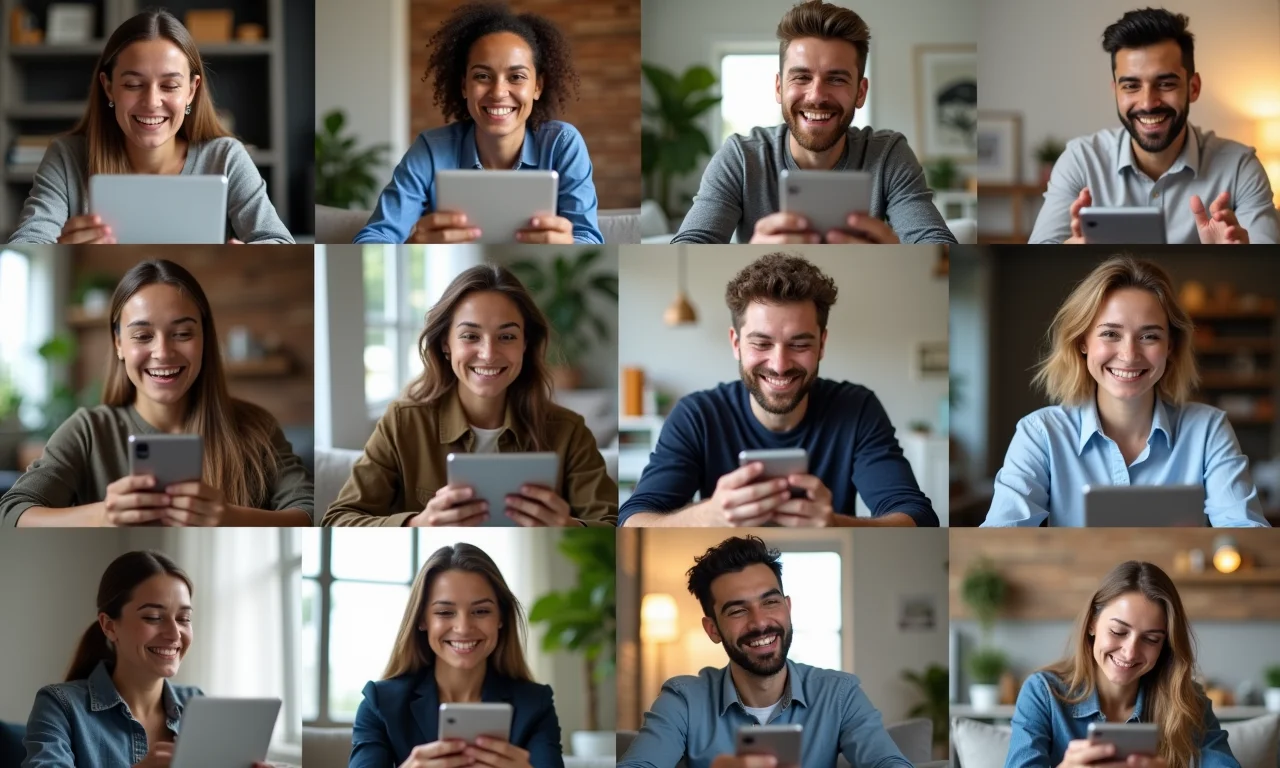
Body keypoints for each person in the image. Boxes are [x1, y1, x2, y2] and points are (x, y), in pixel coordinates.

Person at [618, 253, 936, 527]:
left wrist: (833, 524)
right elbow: (632, 519)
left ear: (822, 344)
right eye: (761, 343)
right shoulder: (697, 415)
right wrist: (709, 517)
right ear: (736, 343)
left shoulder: (857, 409)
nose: (780, 364)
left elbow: (917, 517)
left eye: (799, 344)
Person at [0, 260, 314, 527]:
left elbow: (310, 512)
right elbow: (12, 512)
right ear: (119, 344)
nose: (162, 352)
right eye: (143, 336)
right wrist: (104, 515)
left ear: (204, 339)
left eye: (182, 334)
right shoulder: (88, 431)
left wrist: (230, 518)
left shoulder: (257, 427)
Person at [983, 256, 1268, 527]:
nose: (1129, 355)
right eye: (1110, 334)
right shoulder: (1040, 433)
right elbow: (999, 537)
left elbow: (1245, 531)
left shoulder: (1208, 430)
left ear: (1170, 346)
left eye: (1149, 336)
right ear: (1083, 341)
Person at [324, 263, 616, 526]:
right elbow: (337, 519)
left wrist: (567, 526)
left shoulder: (569, 431)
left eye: (507, 336)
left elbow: (614, 523)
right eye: (470, 336)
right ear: (445, 344)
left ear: (525, 344)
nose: (488, 354)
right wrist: (418, 523)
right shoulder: (402, 423)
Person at [671, 0, 956, 246]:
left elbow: (939, 248)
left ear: (860, 92)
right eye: (801, 77)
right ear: (779, 88)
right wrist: (750, 253)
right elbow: (686, 249)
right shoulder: (741, 157)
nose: (817, 96)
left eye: (836, 79)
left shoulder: (889, 155)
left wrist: (897, 257)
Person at [620, 536, 911, 768]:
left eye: (770, 603)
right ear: (713, 630)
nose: (759, 622)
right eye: (737, 610)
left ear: (788, 608)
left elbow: (889, 763)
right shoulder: (682, 700)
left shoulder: (840, 694)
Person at [7, 8, 293, 245]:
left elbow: (277, 240)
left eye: (170, 85)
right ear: (108, 88)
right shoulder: (66, 156)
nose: (152, 101)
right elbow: (30, 240)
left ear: (191, 91)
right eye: (133, 85)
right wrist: (62, 249)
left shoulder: (226, 157)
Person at [354, 1, 603, 245]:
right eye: (482, 76)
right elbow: (373, 237)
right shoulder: (430, 149)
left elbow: (588, 237)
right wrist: (411, 246)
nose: (498, 92)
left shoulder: (563, 144)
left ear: (537, 86)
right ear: (464, 85)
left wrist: (568, 245)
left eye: (516, 77)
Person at [1028, 8, 1278, 245]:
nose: (1148, 103)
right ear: (1116, 91)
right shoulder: (1080, 160)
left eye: (1166, 83)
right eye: (1131, 86)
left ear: (1193, 87)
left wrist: (1239, 256)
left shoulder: (1239, 167)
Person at [22, 550, 273, 768]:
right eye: (153, 617)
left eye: (184, 619)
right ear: (109, 626)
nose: (174, 634)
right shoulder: (59, 705)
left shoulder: (197, 704)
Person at [1005, 560, 1239, 768]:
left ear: (1165, 645)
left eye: (1151, 639)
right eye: (1118, 631)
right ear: (1092, 624)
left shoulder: (1187, 700)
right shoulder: (1043, 693)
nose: (1130, 652)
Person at [350, 543, 563, 768]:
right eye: (444, 612)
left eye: (481, 611)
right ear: (423, 620)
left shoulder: (535, 705)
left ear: (501, 617)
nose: (463, 627)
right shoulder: (379, 704)